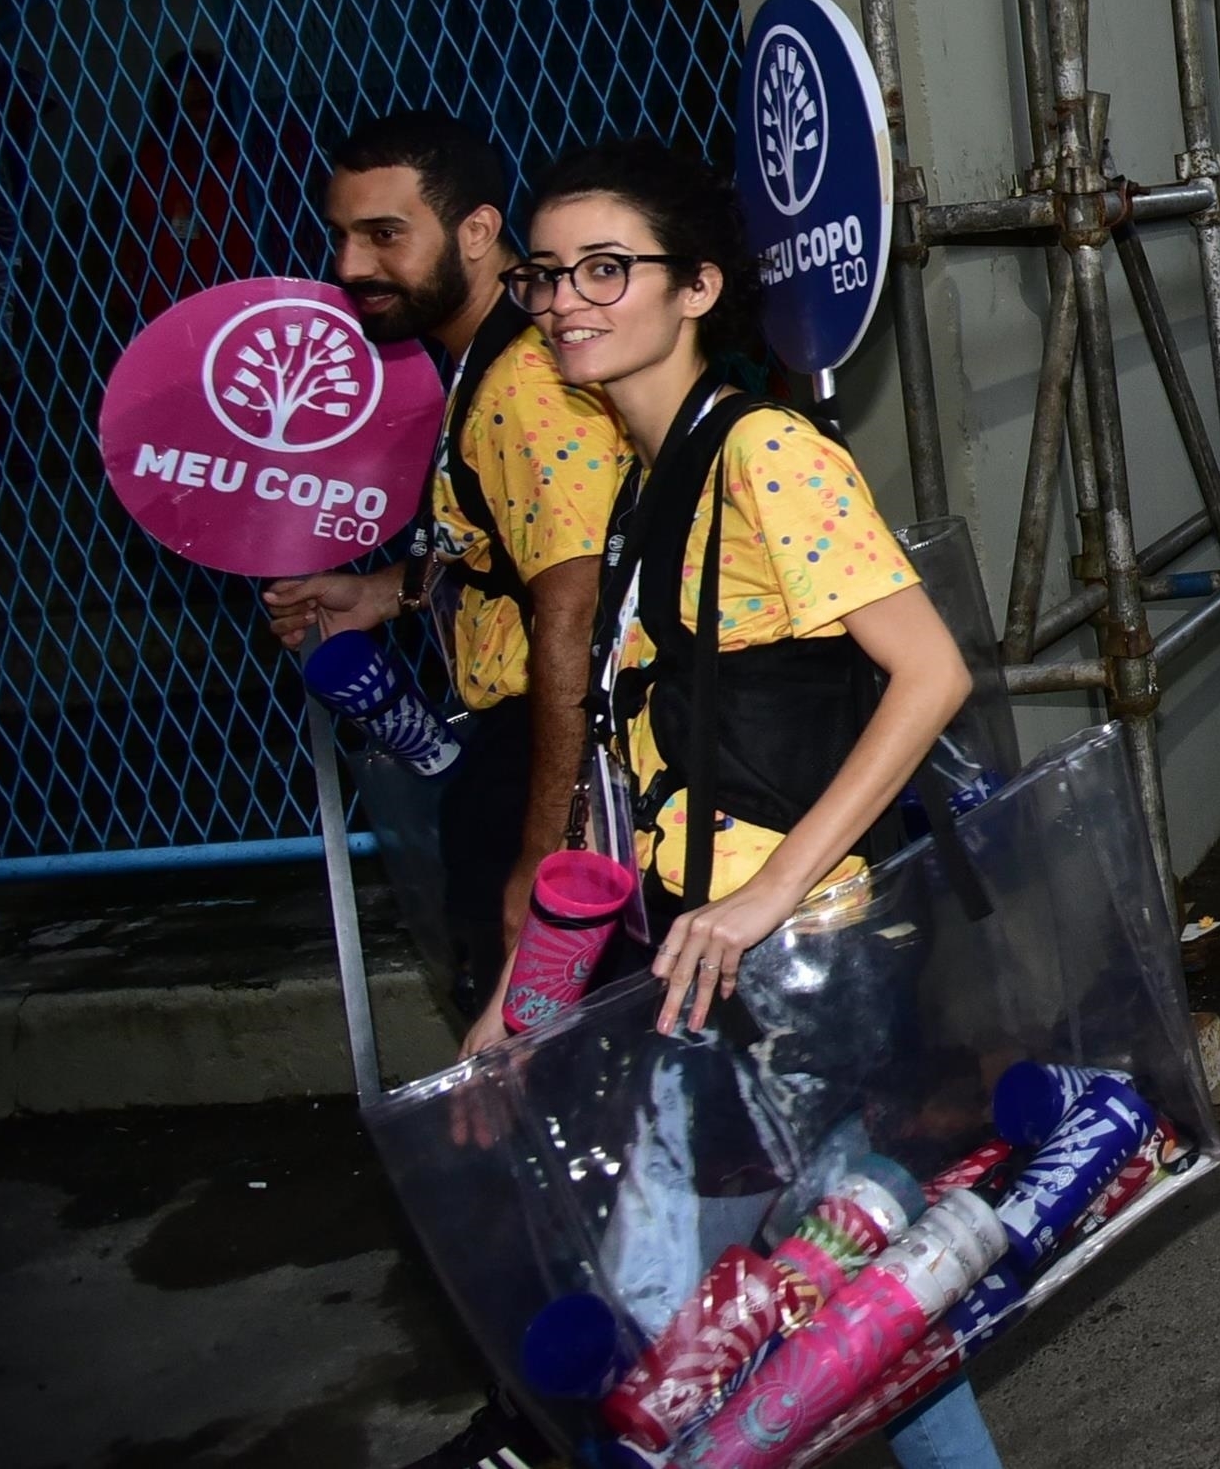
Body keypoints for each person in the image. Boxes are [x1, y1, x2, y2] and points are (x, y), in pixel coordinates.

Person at [518, 136, 1003, 1469]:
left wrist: (764, 895)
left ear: (698, 286)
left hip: (800, 961)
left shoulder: (762, 455)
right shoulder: (644, 472)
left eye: (607, 267)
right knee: (859, 1309)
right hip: (712, 953)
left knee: (685, 1319)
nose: (568, 298)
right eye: (547, 274)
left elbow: (931, 668)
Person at [263, 112, 625, 1043]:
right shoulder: (486, 362)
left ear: (476, 231)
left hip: (557, 763)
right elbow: (511, 549)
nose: (350, 266)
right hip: (533, 752)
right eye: (341, 236)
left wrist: (539, 858)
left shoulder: (526, 384)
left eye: (385, 235)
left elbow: (574, 608)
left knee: (540, 1063)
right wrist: (388, 591)